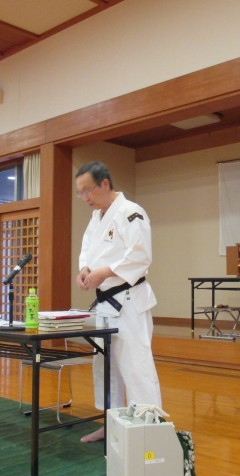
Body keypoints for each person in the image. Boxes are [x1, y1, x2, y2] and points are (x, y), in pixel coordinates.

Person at [75, 161, 162, 443]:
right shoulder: (97, 217)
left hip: (129, 301)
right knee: (105, 366)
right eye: (80, 193)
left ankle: (149, 428)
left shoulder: (131, 212)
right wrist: (86, 270)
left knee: (135, 366)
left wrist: (104, 272)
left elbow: (140, 256)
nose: (85, 197)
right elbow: (88, 249)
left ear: (105, 184)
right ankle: (111, 423)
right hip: (105, 303)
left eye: (88, 190)